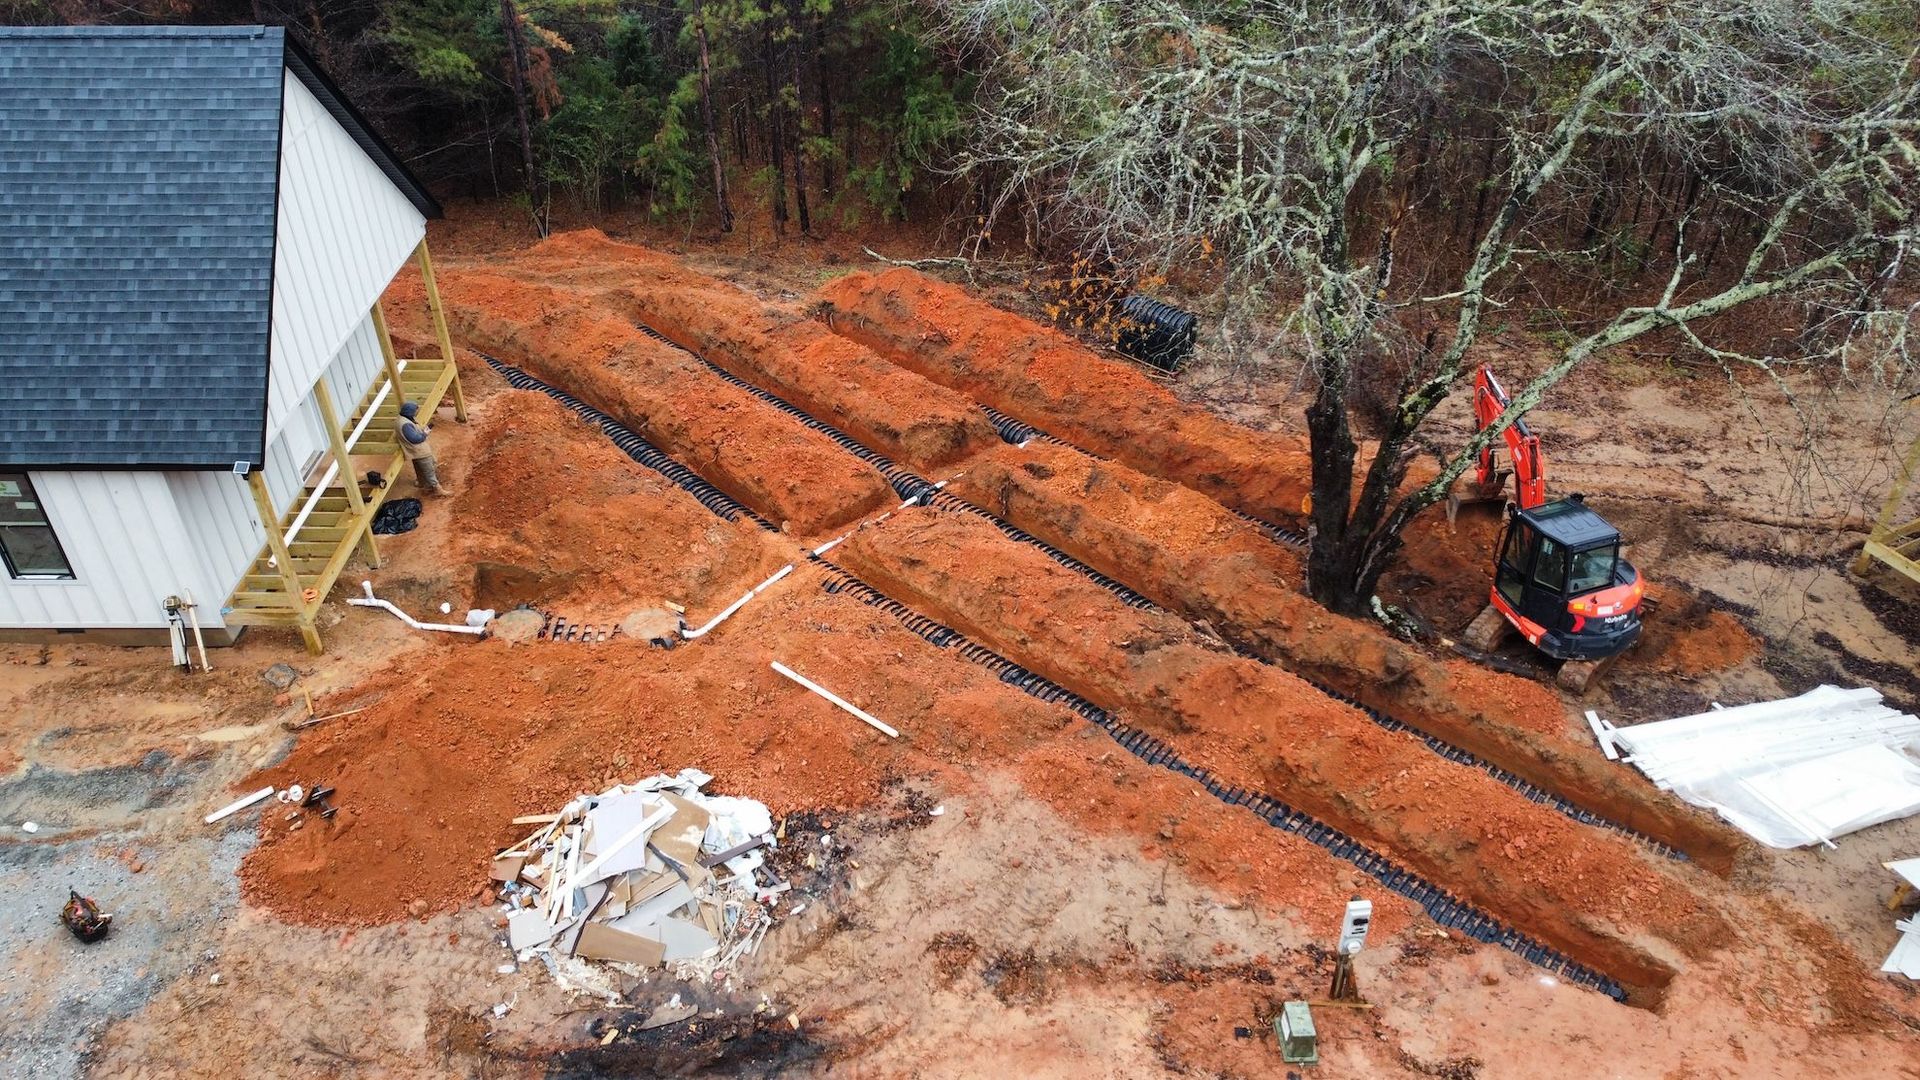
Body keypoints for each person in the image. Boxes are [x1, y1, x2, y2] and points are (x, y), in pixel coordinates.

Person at [394, 401, 449, 496]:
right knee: (429, 469)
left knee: (419, 468)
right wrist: (425, 434)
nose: (416, 412)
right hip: (420, 451)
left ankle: (422, 483)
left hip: (414, 452)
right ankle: (437, 489)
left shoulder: (402, 419)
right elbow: (415, 439)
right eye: (415, 410)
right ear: (410, 411)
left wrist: (422, 430)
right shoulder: (405, 424)